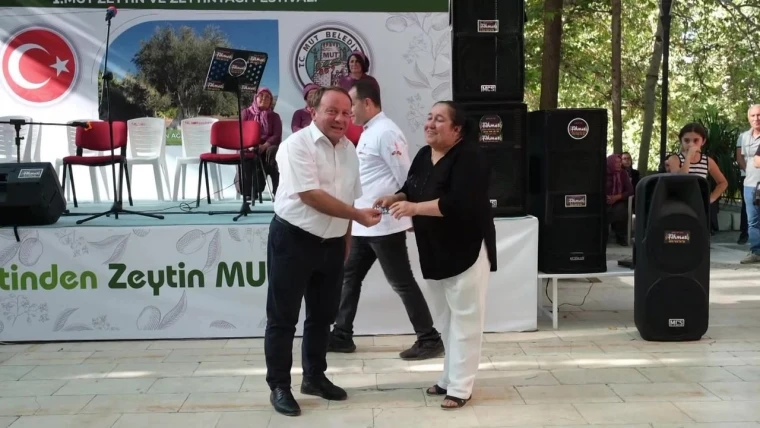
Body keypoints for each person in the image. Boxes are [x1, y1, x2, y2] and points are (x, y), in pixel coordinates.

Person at [264, 86, 382, 417]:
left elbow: (348, 199)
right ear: (313, 112)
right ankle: (279, 386)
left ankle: (314, 377)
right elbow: (310, 195)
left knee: (322, 317)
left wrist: (346, 242)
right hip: (293, 240)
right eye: (332, 111)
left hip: (332, 245)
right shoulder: (295, 145)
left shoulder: (349, 150)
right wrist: (357, 216)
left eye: (346, 112)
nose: (340, 119)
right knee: (283, 318)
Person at [375, 101, 496, 410]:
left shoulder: (471, 157)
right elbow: (411, 187)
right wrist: (396, 197)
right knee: (445, 320)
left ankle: (461, 386)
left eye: (439, 119)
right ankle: (448, 377)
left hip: (467, 248)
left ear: (457, 129)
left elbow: (458, 203)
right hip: (434, 249)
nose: (430, 123)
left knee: (466, 320)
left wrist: (414, 208)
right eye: (429, 117)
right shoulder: (423, 154)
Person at [328, 79, 444, 360]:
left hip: (384, 225)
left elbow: (408, 177)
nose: (349, 112)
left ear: (367, 103)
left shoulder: (386, 132)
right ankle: (341, 334)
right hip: (364, 223)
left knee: (401, 281)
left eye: (352, 105)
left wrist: (413, 213)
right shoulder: (370, 131)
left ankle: (429, 338)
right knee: (349, 277)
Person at [666, 123, 728, 234]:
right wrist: (688, 157)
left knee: (697, 236)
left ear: (703, 141)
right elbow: (680, 179)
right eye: (686, 140)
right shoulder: (674, 159)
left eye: (696, 140)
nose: (691, 144)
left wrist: (710, 199)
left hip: (698, 206)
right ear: (681, 141)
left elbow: (722, 182)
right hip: (678, 205)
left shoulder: (707, 161)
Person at [240, 87, 282, 195]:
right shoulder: (246, 113)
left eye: (267, 97)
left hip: (267, 147)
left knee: (273, 151)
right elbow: (240, 133)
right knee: (247, 154)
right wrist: (250, 145)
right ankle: (251, 189)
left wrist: (264, 146)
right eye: (261, 95)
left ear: (271, 100)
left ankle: (277, 191)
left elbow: (276, 136)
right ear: (255, 98)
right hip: (250, 146)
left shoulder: (274, 116)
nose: (264, 98)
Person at [739, 105, 760, 263]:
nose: (756, 118)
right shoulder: (744, 136)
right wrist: (749, 172)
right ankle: (756, 252)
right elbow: (741, 158)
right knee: (752, 221)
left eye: (759, 115)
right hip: (750, 184)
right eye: (753, 115)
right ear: (748, 118)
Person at [606, 154, 634, 246]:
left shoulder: (623, 173)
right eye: (616, 162)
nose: (619, 164)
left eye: (620, 162)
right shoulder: (603, 173)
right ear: (610, 163)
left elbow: (630, 191)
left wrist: (616, 197)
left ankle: (620, 236)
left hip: (619, 200)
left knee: (620, 210)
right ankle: (603, 235)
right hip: (605, 200)